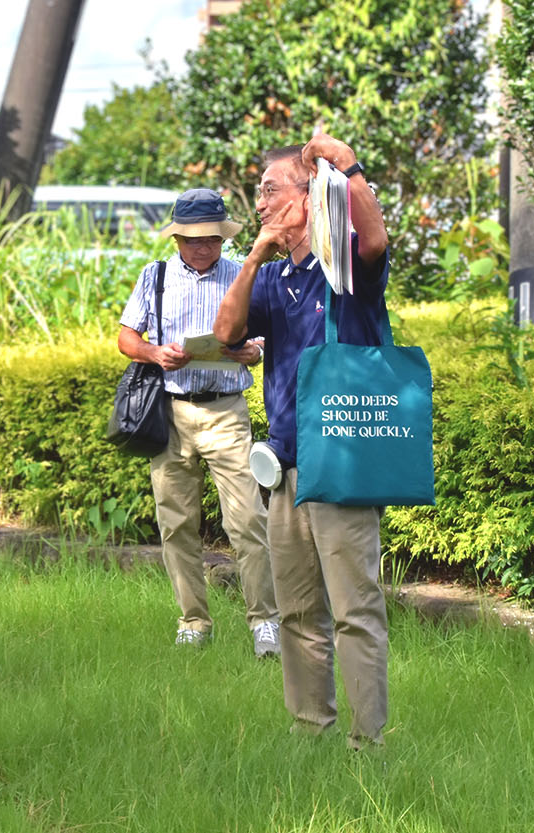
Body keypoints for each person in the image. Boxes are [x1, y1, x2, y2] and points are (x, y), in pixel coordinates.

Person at [213, 133, 391, 749]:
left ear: (309, 195)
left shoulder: (342, 267)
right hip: (286, 466)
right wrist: (256, 255)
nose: (260, 202)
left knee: (355, 613)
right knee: (295, 612)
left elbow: (376, 241)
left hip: (341, 462)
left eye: (270, 190)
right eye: (258, 192)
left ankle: (368, 747)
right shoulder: (275, 276)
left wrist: (345, 163)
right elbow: (226, 331)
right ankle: (310, 731)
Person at [117, 188, 279, 655]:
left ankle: (265, 622)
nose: (203, 247)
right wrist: (153, 353)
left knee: (248, 520)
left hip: (226, 411)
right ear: (177, 239)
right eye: (193, 239)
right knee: (176, 523)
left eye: (212, 238)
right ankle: (193, 621)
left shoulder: (243, 274)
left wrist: (254, 351)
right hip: (170, 412)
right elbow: (127, 337)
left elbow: (265, 337)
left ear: (223, 237)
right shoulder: (156, 276)